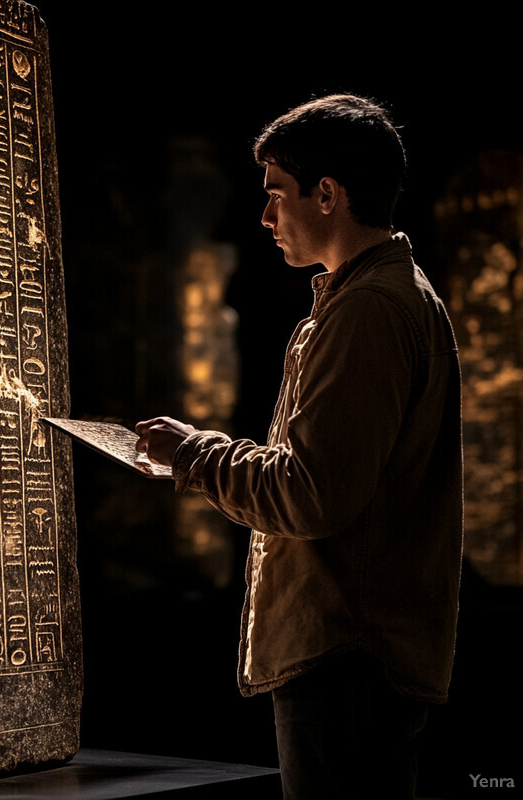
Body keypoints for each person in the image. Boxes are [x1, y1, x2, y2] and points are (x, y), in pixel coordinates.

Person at [135, 94, 463, 800]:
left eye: (276, 195)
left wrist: (195, 455)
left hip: (350, 660)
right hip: (358, 660)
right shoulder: (376, 298)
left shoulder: (371, 310)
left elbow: (311, 493)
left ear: (327, 194)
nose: (264, 217)